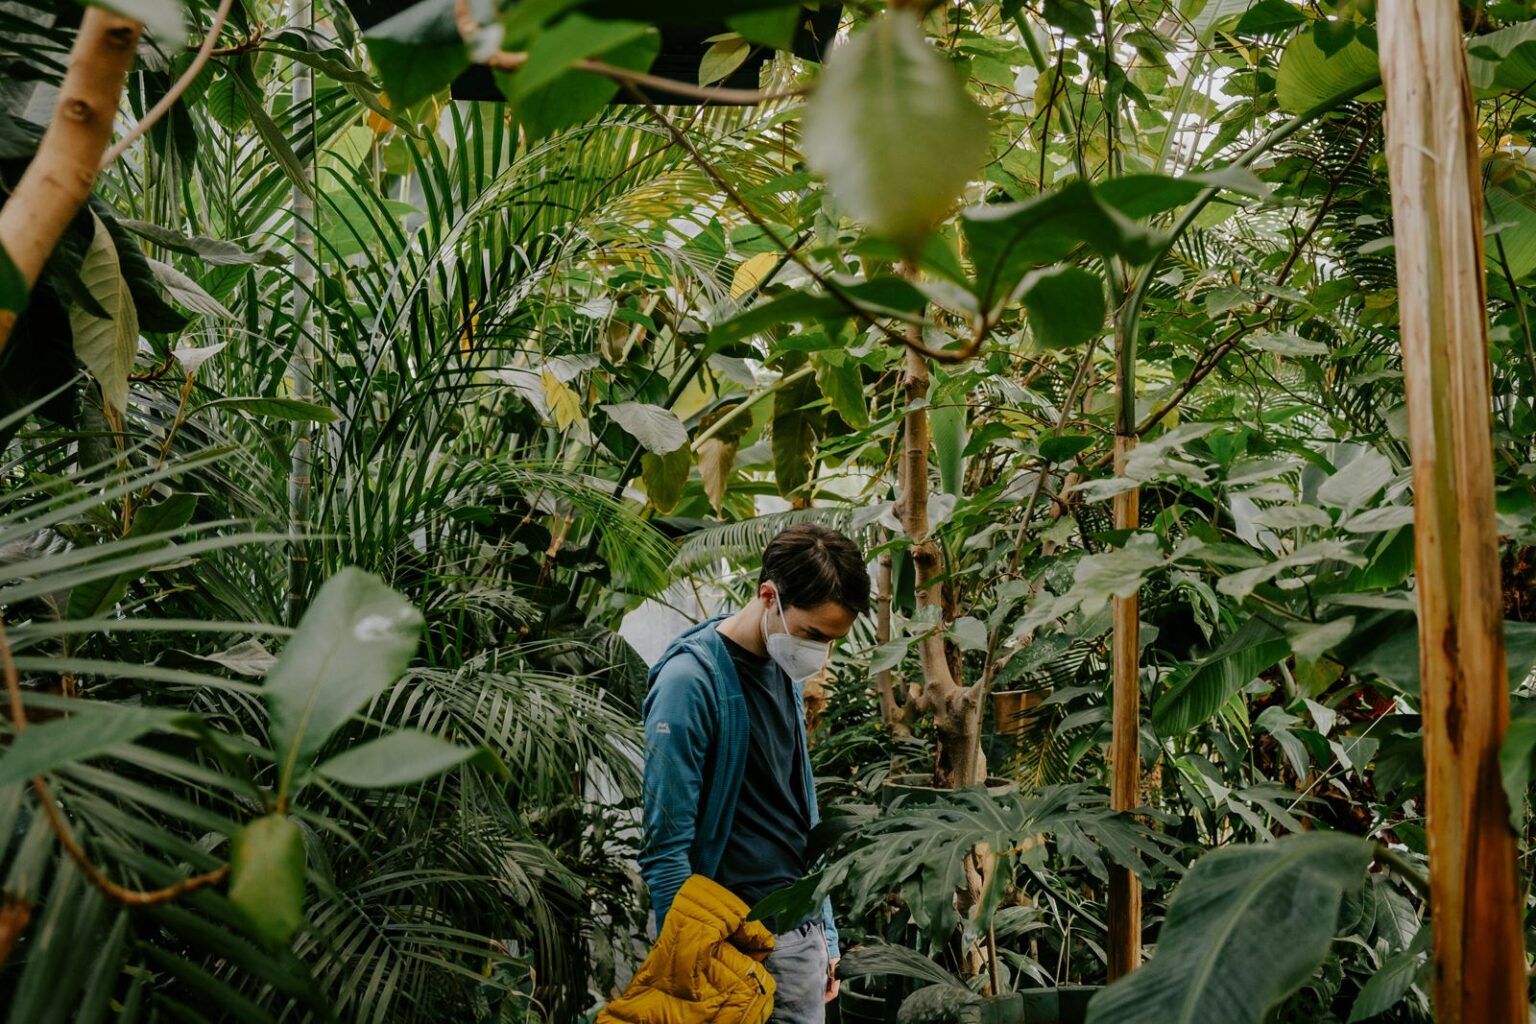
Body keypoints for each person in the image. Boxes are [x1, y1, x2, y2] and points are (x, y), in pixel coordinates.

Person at [640, 523, 870, 1023]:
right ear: (769, 595)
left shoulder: (780, 663)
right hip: (735, 949)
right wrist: (690, 968)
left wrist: (825, 932)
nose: (820, 654)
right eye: (814, 635)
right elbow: (665, 850)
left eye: (833, 641)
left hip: (798, 939)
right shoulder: (689, 683)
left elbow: (798, 807)